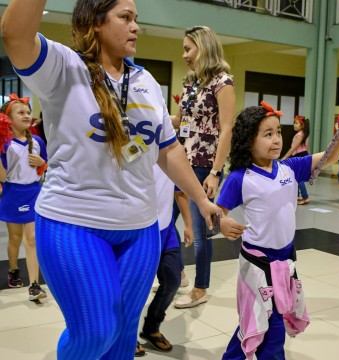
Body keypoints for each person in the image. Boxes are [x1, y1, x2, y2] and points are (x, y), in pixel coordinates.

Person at [1, 1, 220, 359]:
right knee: (95, 332)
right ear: (96, 23)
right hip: (74, 224)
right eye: (126, 18)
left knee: (120, 338)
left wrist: (201, 199)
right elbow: (14, 33)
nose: (136, 27)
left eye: (136, 19)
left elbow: (168, 149)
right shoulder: (64, 67)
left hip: (140, 230)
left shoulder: (145, 81)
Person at [216, 102, 339, 359]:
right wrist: (222, 224)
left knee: (262, 323)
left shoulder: (290, 168)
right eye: (267, 134)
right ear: (249, 140)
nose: (276, 139)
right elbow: (216, 214)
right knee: (268, 327)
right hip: (257, 265)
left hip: (285, 262)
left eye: (278, 133)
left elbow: (331, 156)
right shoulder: (240, 177)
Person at [171, 25, 236, 309]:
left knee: (201, 231)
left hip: (202, 163)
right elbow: (179, 120)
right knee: (161, 220)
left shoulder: (223, 82)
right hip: (180, 159)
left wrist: (215, 171)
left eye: (188, 48)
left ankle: (200, 288)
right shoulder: (190, 82)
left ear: (203, 47)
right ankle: (177, 274)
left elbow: (227, 127)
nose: (184, 54)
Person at [136, 165, 193, 357]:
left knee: (172, 280)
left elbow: (180, 191)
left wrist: (188, 224)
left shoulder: (172, 151)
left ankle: (151, 327)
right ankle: (126, 335)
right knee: (135, 289)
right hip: (140, 229)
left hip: (166, 228)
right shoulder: (137, 145)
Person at [0, 94, 47, 301]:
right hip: (12, 193)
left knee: (33, 239)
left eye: (28, 112)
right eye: (21, 112)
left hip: (33, 192)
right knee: (15, 238)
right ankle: (13, 270)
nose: (27, 115)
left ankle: (34, 285)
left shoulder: (37, 141)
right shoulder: (5, 144)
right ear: (7, 118)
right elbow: (2, 176)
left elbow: (45, 170)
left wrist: (41, 163)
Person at [281, 115, 310, 205]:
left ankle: (305, 197)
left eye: (296, 123)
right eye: (294, 123)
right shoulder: (303, 135)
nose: (294, 125)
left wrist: (285, 157)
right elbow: (307, 148)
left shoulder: (299, 135)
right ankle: (298, 196)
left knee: (298, 177)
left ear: (302, 126)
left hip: (299, 156)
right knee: (296, 176)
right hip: (302, 156)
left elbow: (293, 148)